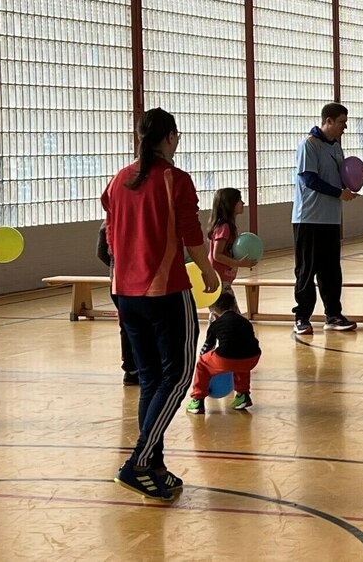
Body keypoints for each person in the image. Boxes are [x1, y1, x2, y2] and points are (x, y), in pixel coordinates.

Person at [102, 108, 219, 501]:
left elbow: (110, 233)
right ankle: (138, 461)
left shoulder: (119, 179)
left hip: (124, 291)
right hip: (165, 291)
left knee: (151, 379)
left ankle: (153, 465)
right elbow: (190, 235)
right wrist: (207, 272)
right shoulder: (176, 180)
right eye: (177, 135)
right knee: (179, 376)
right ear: (169, 137)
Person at [291, 103, 363, 335]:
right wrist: (339, 193)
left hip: (330, 218)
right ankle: (302, 317)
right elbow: (309, 179)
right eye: (341, 123)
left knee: (331, 270)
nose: (344, 127)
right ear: (328, 121)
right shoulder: (310, 144)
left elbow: (342, 180)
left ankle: (333, 315)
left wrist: (362, 176)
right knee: (306, 269)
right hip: (308, 218)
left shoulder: (336, 147)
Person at [187, 298, 262, 414]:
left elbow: (207, 347)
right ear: (234, 308)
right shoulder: (245, 321)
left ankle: (197, 400)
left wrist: (206, 360)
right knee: (242, 362)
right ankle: (243, 395)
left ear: (214, 315)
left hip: (226, 359)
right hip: (252, 357)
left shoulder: (216, 323)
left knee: (202, 363)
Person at [96, 222, 138, 385]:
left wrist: (114, 267)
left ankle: (130, 369)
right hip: (137, 282)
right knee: (141, 325)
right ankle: (140, 367)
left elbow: (101, 253)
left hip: (117, 282)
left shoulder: (106, 224)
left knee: (127, 326)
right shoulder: (136, 221)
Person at [206, 187, 257, 315]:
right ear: (230, 204)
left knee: (219, 318)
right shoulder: (225, 227)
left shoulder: (228, 226)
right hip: (219, 283)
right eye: (239, 200)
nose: (243, 203)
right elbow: (216, 255)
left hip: (223, 282)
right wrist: (240, 263)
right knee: (231, 319)